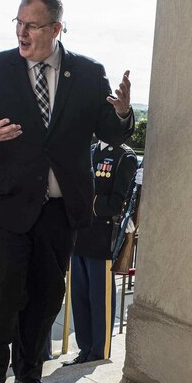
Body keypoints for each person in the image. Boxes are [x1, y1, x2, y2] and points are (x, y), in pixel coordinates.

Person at [0, 0, 134, 383]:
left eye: (32, 25)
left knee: (45, 295)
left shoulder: (89, 74)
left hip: (58, 211)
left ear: (57, 28)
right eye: (18, 23)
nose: (22, 32)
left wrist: (125, 114)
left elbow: (112, 131)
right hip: (3, 207)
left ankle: (29, 376)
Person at [64, 140, 138, 365]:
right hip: (79, 236)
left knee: (99, 300)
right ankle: (85, 349)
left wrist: (86, 200)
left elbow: (117, 203)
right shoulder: (90, 150)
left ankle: (99, 352)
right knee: (79, 296)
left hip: (102, 238)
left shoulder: (125, 157)